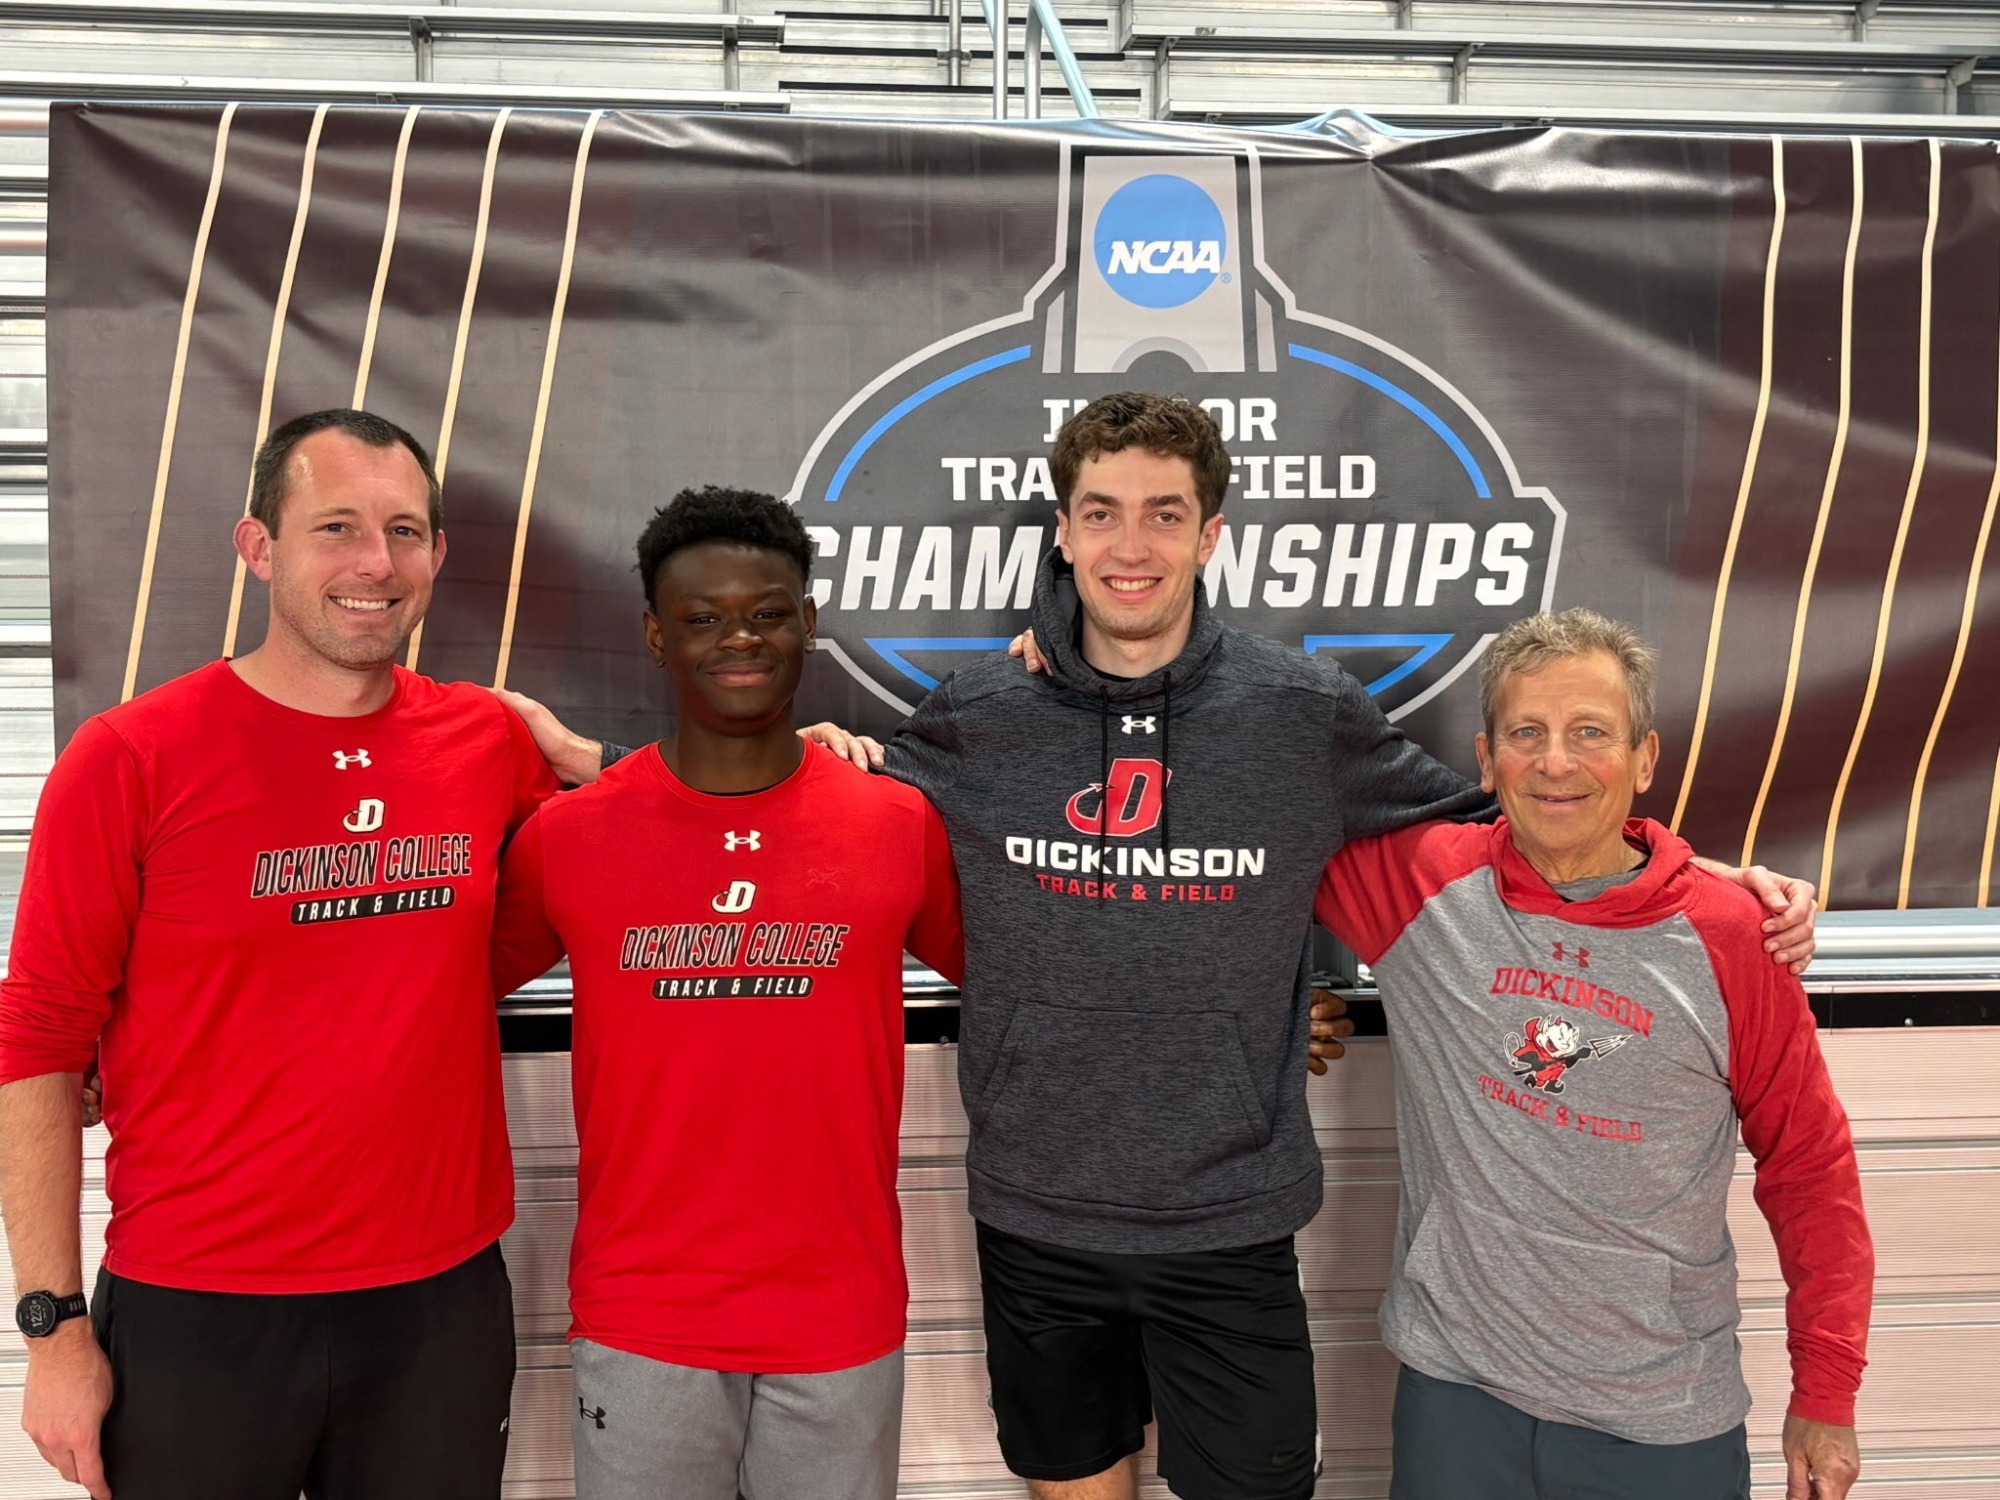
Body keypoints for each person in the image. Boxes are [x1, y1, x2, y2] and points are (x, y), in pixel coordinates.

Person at [811, 392, 1818, 1500]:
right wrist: (794, 750)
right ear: (1061, 532)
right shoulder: (982, 709)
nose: (1130, 546)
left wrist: (1689, 870)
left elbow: (1507, 818)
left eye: (1163, 514)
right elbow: (807, 804)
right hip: (1036, 1211)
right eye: (1100, 513)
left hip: (1230, 1217)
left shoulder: (1300, 712)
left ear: (1211, 535)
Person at [0, 409, 605, 1500]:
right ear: (257, 547)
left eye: (405, 532)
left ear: (437, 556)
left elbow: (652, 832)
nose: (376, 563)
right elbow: (38, 1040)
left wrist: (581, 754)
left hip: (437, 1300)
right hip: (197, 1304)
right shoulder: (130, 759)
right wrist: (51, 1332)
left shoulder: (485, 743)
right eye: (336, 527)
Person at [1310, 609, 1870, 1500]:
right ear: (1486, 760)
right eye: (1526, 734)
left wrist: (1827, 1391)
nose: (1557, 762)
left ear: (1645, 758)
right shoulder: (1424, 885)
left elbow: (1810, 1170)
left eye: (1589, 734)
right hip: (1456, 1404)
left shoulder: (1732, 938)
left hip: (1659, 1427)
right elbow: (1238, 849)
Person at [487, 486, 963, 1500]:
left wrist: (1255, 1015)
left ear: (809, 624)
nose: (737, 638)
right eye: (702, 619)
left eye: (766, 611)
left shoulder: (893, 824)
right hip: (644, 1315)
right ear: (657, 638)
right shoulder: (570, 837)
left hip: (836, 1313)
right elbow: (412, 991)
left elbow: (1048, 980)